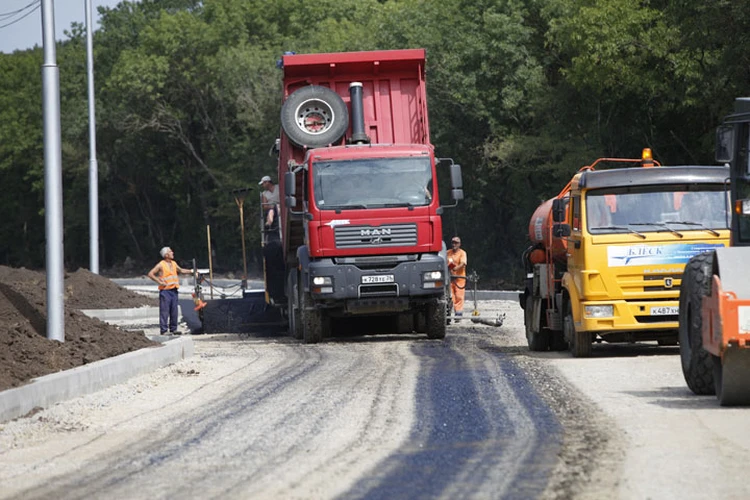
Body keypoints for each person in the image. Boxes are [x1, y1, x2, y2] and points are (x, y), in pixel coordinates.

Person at [147, 247, 194, 335]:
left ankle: (173, 329)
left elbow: (181, 270)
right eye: (170, 251)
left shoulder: (173, 263)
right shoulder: (161, 264)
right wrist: (159, 281)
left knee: (174, 311)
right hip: (165, 291)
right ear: (166, 255)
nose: (172, 252)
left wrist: (192, 271)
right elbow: (150, 274)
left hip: (174, 290)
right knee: (164, 311)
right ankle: (164, 330)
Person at [446, 236, 468, 322]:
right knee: (451, 297)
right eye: (453, 242)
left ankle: (458, 314)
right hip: (450, 279)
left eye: (456, 243)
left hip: (460, 278)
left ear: (459, 244)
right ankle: (448, 314)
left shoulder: (462, 253)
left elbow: (463, 263)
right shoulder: (448, 252)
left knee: (459, 296)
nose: (454, 244)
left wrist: (456, 268)